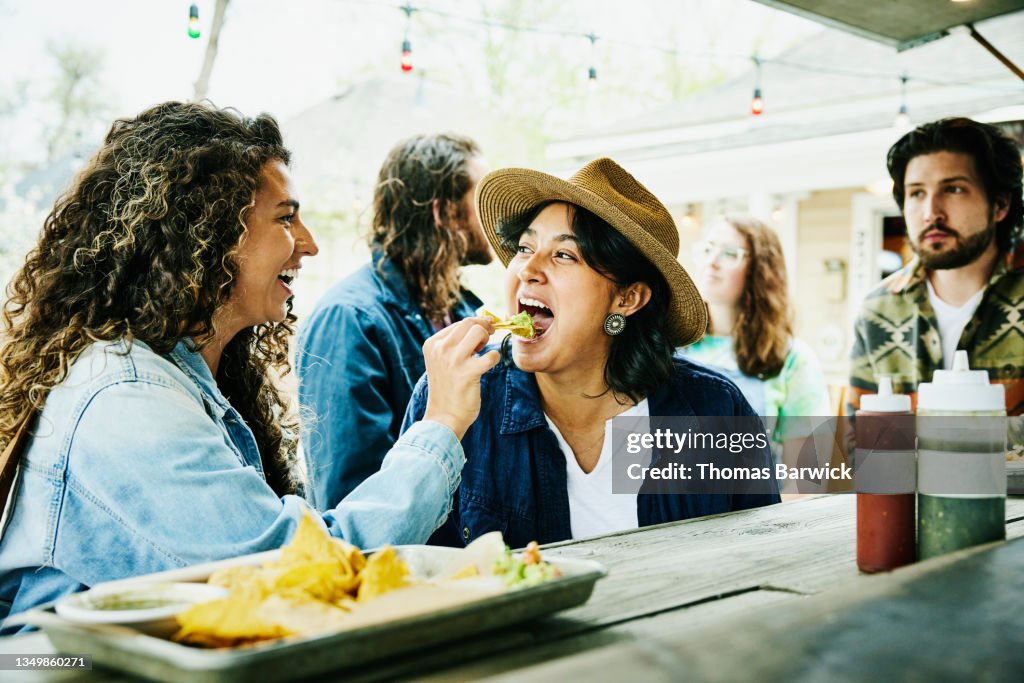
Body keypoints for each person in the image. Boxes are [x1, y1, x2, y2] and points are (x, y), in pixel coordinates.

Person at [0, 102, 499, 625]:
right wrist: (441, 424)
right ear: (205, 232)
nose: (309, 243)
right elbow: (296, 576)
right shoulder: (126, 397)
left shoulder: (193, 370)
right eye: (285, 218)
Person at [402, 158, 780, 548]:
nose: (527, 269)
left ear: (627, 298)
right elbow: (407, 571)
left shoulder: (713, 409)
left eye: (564, 255)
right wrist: (440, 426)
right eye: (524, 247)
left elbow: (761, 555)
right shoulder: (451, 397)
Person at [297, 134, 492, 510]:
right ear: (444, 212)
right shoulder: (348, 319)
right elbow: (349, 497)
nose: (497, 214)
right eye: (481, 198)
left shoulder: (464, 312)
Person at [847, 117, 1024, 416]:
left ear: (1000, 204)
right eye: (916, 193)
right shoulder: (879, 309)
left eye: (953, 189)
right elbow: (858, 440)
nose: (931, 212)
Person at [679, 216, 830, 463]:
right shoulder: (672, 347)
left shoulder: (792, 359)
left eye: (729, 254)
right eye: (707, 249)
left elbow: (806, 477)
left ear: (761, 270)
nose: (711, 262)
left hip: (755, 502)